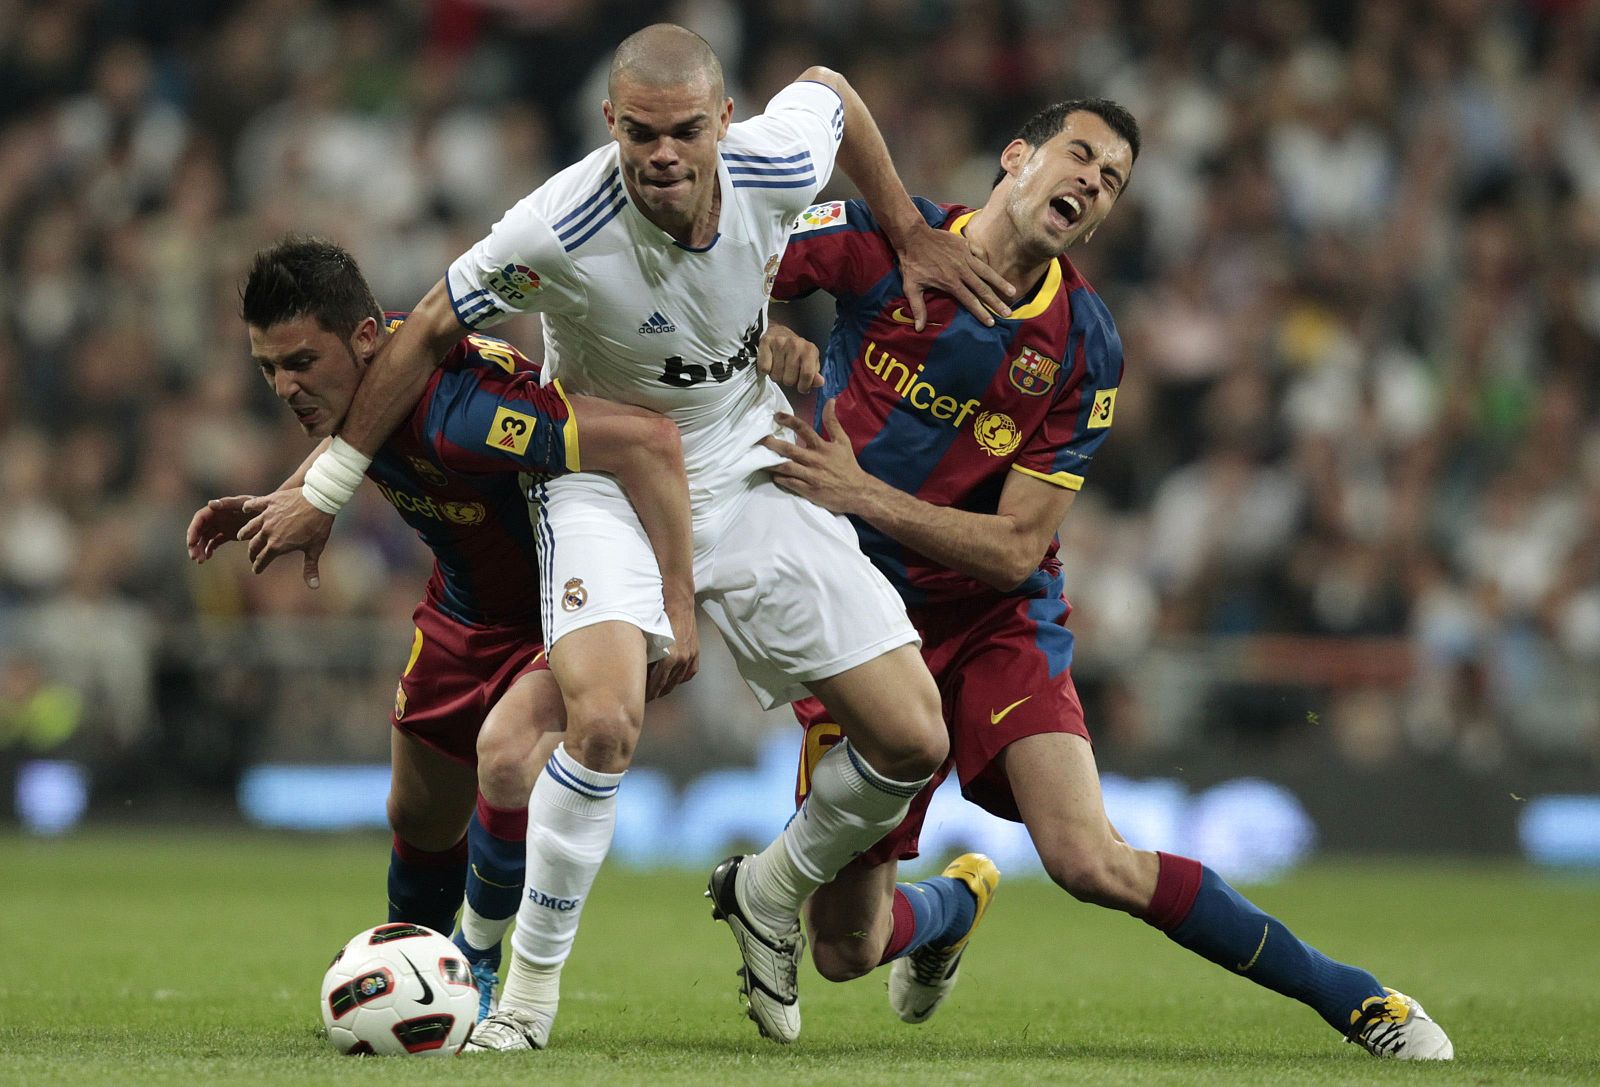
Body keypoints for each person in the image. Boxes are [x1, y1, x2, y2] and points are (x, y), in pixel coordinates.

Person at [233, 23, 1015, 1051]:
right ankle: (522, 1008)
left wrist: (910, 229)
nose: (662, 153)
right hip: (601, 482)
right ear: (609, 124)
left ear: (723, 120)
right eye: (640, 131)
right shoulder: (559, 221)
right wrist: (328, 483)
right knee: (600, 726)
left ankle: (769, 891)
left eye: (686, 129)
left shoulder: (773, 161)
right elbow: (424, 326)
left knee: (916, 738)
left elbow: (830, 87)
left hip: (747, 462)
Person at [760, 99, 1454, 1061]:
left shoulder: (1085, 345)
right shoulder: (880, 239)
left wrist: (859, 490)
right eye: (1079, 155)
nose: (1092, 182)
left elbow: (1012, 549)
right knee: (846, 948)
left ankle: (1356, 999)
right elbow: (720, 270)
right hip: (860, 618)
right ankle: (953, 904)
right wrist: (759, 337)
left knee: (1090, 860)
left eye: (1113, 179)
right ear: (1017, 157)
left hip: (996, 615)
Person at [186, 236, 697, 1020]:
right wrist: (296, 496)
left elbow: (645, 441)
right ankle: (414, 982)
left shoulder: (467, 413)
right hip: (460, 614)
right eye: (268, 369)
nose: (285, 387)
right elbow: (356, 434)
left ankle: (481, 966)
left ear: (364, 339)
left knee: (506, 761)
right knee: (417, 813)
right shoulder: (366, 378)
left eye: (298, 362)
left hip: (558, 613)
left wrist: (675, 598)